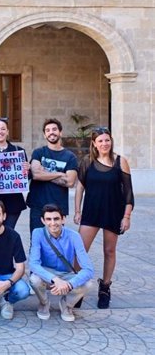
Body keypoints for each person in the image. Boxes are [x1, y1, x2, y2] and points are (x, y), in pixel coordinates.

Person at [74, 126, 134, 309]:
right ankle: (78, 287)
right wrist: (77, 211)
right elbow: (79, 188)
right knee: (79, 250)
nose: (104, 143)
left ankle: (105, 287)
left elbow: (129, 193)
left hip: (112, 212)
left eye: (107, 140)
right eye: (100, 140)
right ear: (94, 143)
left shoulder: (120, 162)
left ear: (111, 141)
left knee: (109, 251)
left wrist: (127, 216)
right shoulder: (87, 162)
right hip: (91, 211)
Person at [29, 204, 94, 322]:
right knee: (34, 279)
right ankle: (44, 303)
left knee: (88, 284)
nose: (53, 223)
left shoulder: (74, 236)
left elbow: (88, 269)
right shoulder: (37, 233)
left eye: (56, 218)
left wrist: (69, 284)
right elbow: (33, 264)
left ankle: (67, 304)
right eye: (48, 219)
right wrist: (55, 279)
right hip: (48, 274)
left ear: (63, 219)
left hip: (66, 274)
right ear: (43, 220)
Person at [27, 119, 78, 235]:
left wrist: (44, 172)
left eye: (54, 129)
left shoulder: (70, 157)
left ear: (61, 132)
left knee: (56, 242)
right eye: (48, 130)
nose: (51, 132)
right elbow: (36, 174)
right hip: (37, 205)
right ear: (45, 135)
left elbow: (70, 182)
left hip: (58, 207)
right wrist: (60, 173)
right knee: (36, 242)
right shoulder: (39, 152)